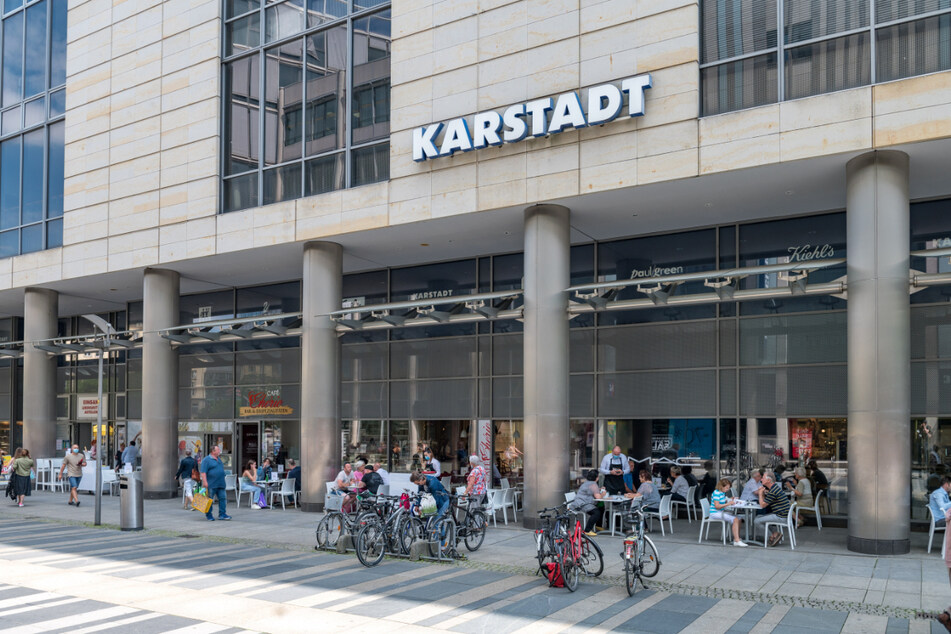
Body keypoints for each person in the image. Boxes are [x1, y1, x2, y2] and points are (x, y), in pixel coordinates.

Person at [753, 473, 792, 547]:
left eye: (763, 478)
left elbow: (762, 505)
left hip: (781, 517)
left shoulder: (773, 491)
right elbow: (765, 502)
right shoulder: (774, 488)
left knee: (756, 521)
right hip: (782, 515)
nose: (761, 479)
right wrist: (763, 493)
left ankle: (771, 537)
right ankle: (775, 533)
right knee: (759, 517)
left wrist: (760, 493)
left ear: (768, 480)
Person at [710, 478, 748, 547]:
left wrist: (731, 499)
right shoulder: (716, 493)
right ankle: (737, 541)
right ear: (721, 486)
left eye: (728, 488)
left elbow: (723, 501)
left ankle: (737, 538)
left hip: (720, 512)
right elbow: (717, 506)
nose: (727, 489)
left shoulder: (722, 493)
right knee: (735, 519)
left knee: (739, 518)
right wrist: (729, 503)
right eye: (726, 488)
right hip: (715, 513)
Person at [568, 469, 604, 536]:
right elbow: (598, 497)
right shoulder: (593, 484)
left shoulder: (587, 483)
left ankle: (598, 526)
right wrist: (603, 493)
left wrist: (598, 489)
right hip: (582, 504)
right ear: (596, 478)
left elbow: (591, 490)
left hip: (579, 503)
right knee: (596, 512)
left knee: (601, 507)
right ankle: (587, 530)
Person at [200, 444, 231, 521]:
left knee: (223, 498)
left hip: (221, 483)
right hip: (211, 483)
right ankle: (209, 514)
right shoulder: (206, 460)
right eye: (218, 450)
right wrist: (205, 482)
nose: (219, 451)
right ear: (213, 451)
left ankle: (222, 514)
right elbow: (203, 472)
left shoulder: (219, 459)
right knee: (209, 500)